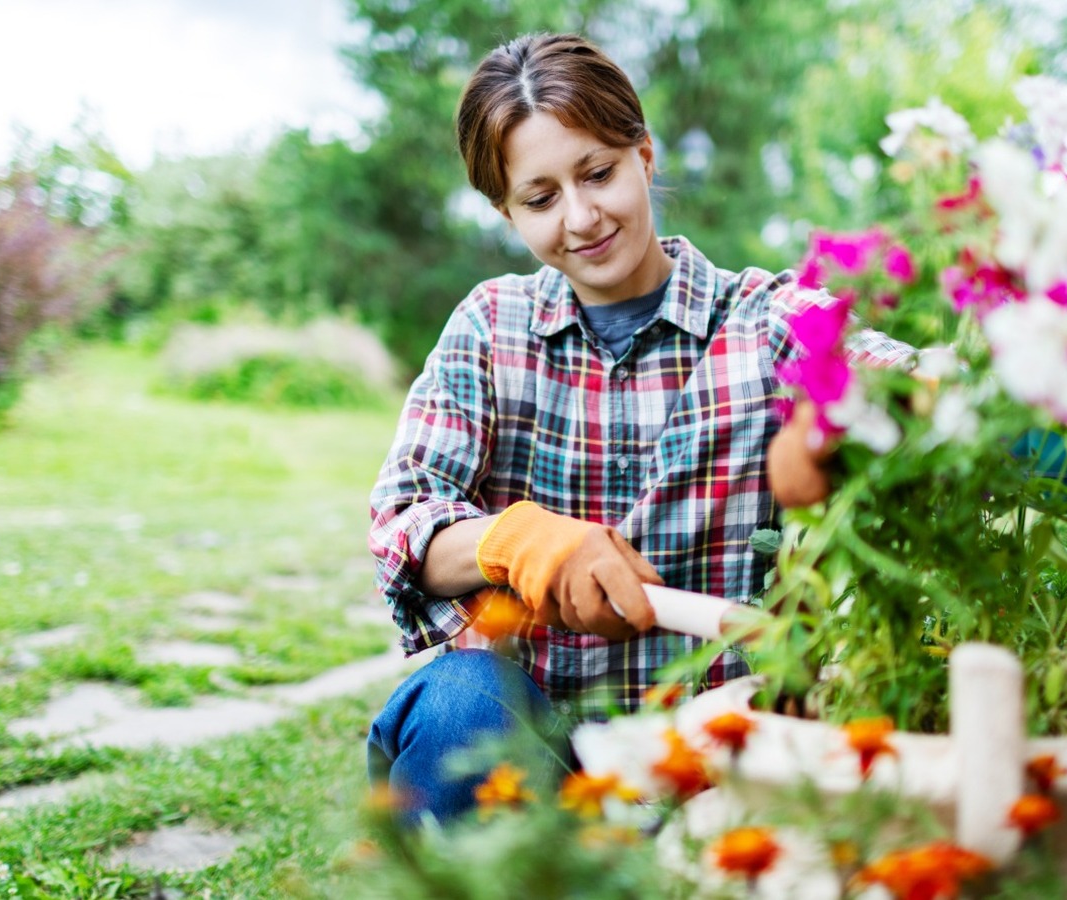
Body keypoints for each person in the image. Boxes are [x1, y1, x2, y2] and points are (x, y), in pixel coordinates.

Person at [365, 32, 917, 824]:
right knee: (457, 702)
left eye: (598, 174)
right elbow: (400, 523)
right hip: (535, 773)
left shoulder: (764, 319)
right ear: (506, 211)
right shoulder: (491, 327)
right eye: (541, 197)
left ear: (645, 156)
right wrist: (515, 541)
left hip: (718, 769)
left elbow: (906, 380)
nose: (582, 217)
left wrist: (911, 395)